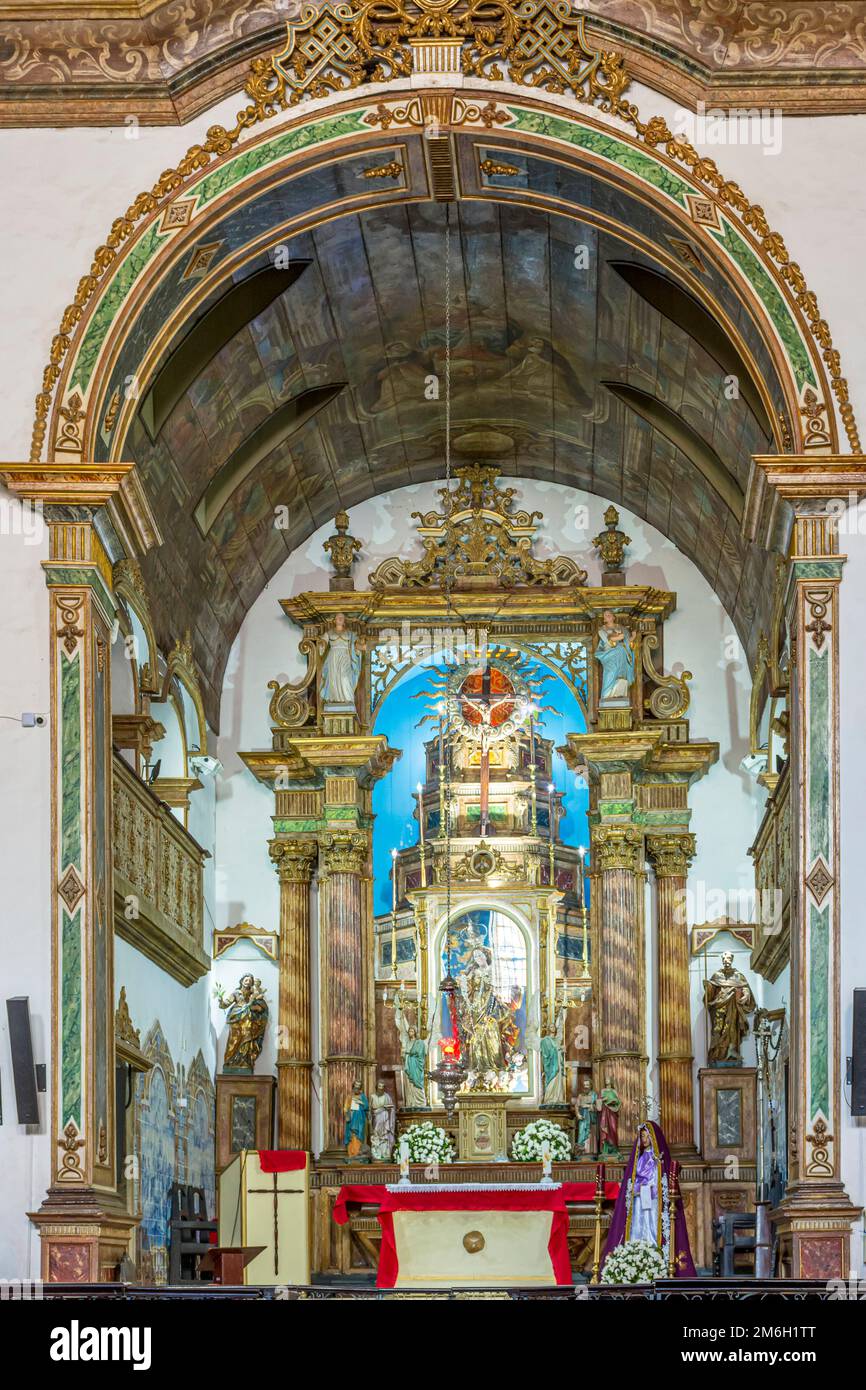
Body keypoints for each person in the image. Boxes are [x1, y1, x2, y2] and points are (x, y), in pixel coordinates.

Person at [600, 1121, 695, 1276]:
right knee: (637, 1228)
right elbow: (632, 1179)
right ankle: (635, 1260)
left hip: (652, 1203)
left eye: (647, 1136)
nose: (644, 1139)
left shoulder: (658, 1160)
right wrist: (636, 1188)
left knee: (651, 1229)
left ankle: (655, 1261)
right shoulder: (639, 1157)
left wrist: (648, 1188)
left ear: (653, 1138)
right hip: (638, 1203)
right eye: (642, 1136)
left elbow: (659, 1181)